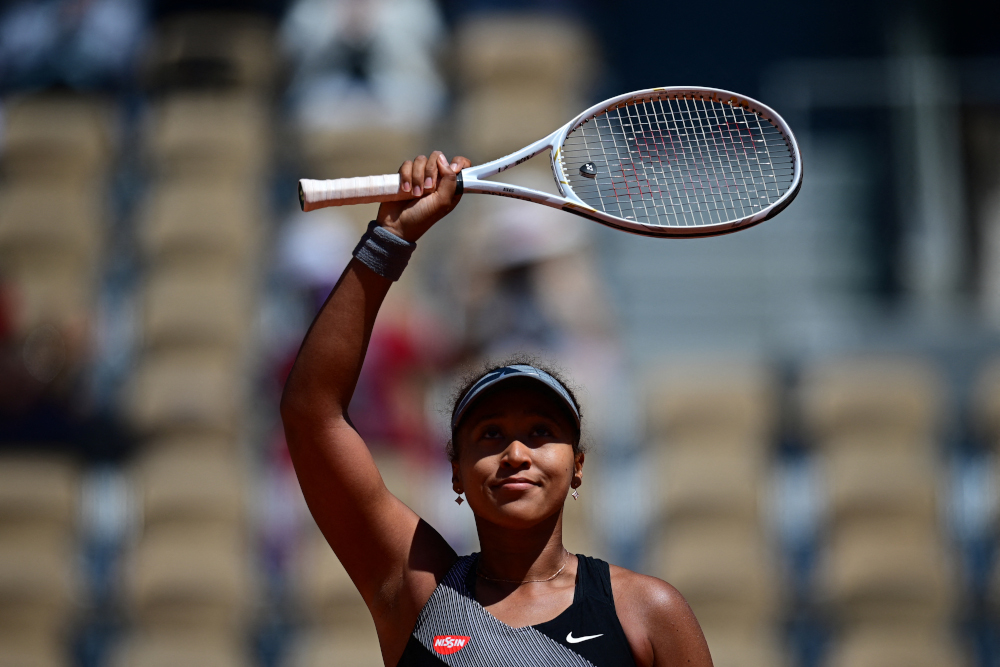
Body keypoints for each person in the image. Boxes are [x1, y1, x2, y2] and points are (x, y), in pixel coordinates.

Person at [280, 151, 714, 666]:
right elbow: (312, 414)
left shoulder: (648, 613)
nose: (514, 453)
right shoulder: (418, 594)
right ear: (456, 472)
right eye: (489, 434)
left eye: (539, 431)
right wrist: (389, 238)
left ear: (578, 466)